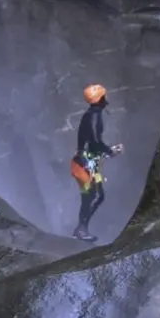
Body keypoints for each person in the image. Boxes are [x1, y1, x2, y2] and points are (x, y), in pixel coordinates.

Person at [69, 83, 122, 241]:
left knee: (91, 196)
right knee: (96, 195)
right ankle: (81, 229)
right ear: (100, 99)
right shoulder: (94, 116)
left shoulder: (91, 114)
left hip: (86, 160)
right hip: (86, 162)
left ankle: (81, 230)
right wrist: (110, 151)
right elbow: (95, 141)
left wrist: (107, 152)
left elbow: (92, 143)